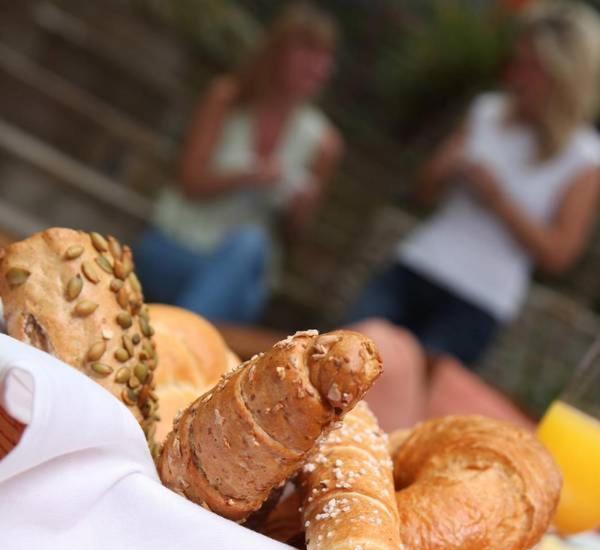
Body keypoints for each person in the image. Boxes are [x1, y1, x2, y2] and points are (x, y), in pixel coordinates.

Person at [348, 2, 600, 365]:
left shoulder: (584, 155)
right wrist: (444, 170)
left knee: (399, 400)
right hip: (420, 263)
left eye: (531, 67)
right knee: (339, 357)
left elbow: (559, 254)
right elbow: (422, 192)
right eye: (518, 61)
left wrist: (498, 200)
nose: (516, 75)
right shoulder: (488, 110)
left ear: (562, 74)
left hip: (479, 300)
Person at [134, 3, 343, 324]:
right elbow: (188, 182)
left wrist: (300, 210)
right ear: (278, 53)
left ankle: (175, 340)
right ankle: (181, 349)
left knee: (249, 247)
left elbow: (294, 237)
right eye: (308, 52)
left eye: (324, 58)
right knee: (230, 270)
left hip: (240, 278)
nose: (318, 67)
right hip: (176, 246)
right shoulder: (227, 98)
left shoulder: (325, 144)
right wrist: (247, 177)